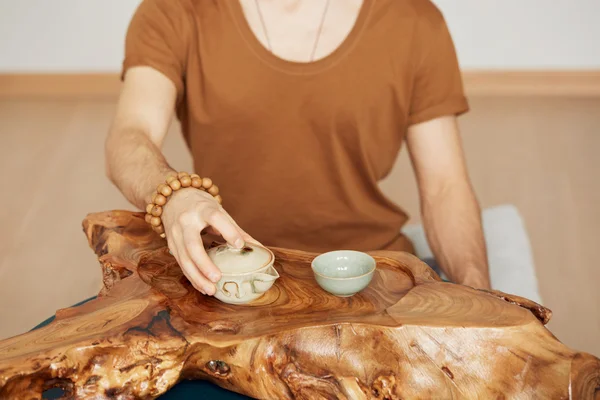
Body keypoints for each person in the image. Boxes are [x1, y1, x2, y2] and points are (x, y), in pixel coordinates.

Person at [105, 0, 492, 300]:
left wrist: (480, 294)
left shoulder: (414, 22)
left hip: (367, 271)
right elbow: (129, 136)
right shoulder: (177, 10)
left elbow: (445, 185)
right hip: (226, 274)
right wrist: (173, 194)